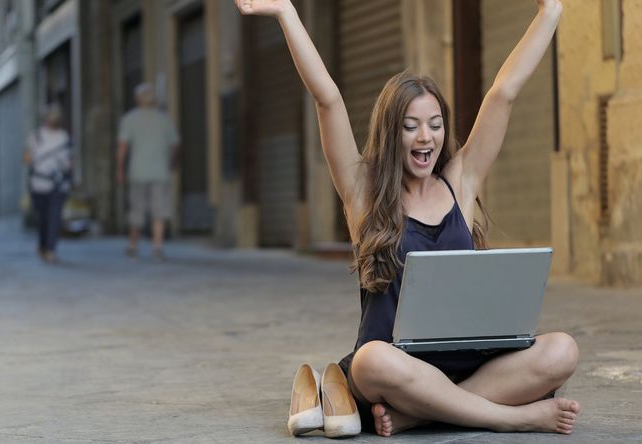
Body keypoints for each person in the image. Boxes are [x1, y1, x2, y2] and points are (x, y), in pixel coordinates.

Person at [235, 0, 580, 437]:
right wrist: (287, 12)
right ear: (390, 132)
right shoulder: (364, 192)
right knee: (371, 360)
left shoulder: (460, 184)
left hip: (470, 364)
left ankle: (421, 415)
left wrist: (550, 13)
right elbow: (327, 100)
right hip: (396, 369)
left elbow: (503, 93)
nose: (425, 137)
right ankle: (510, 416)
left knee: (562, 350)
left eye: (435, 124)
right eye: (411, 125)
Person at [116, 83, 180, 261]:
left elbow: (122, 147)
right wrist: (173, 162)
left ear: (137, 99)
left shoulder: (130, 119)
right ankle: (157, 246)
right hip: (160, 171)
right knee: (159, 210)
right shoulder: (164, 119)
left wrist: (120, 169)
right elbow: (175, 145)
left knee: (136, 209)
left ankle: (133, 245)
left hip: (138, 171)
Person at [23, 104, 72, 264]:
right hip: (53, 183)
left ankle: (48, 248)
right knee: (49, 218)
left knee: (48, 217)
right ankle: (46, 247)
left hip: (44, 183)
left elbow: (26, 159)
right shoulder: (62, 136)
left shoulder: (37, 135)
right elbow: (69, 162)